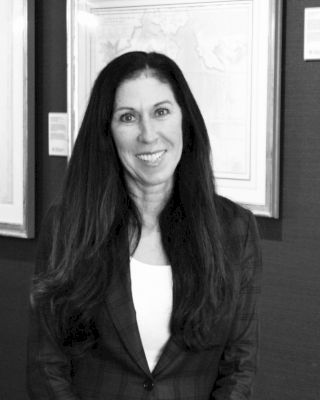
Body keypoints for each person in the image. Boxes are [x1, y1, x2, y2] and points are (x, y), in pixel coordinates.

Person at [27, 51, 262, 400]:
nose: (148, 134)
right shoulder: (68, 227)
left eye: (161, 112)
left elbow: (239, 366)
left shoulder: (235, 230)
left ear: (185, 121)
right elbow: (48, 365)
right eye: (128, 117)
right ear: (107, 133)